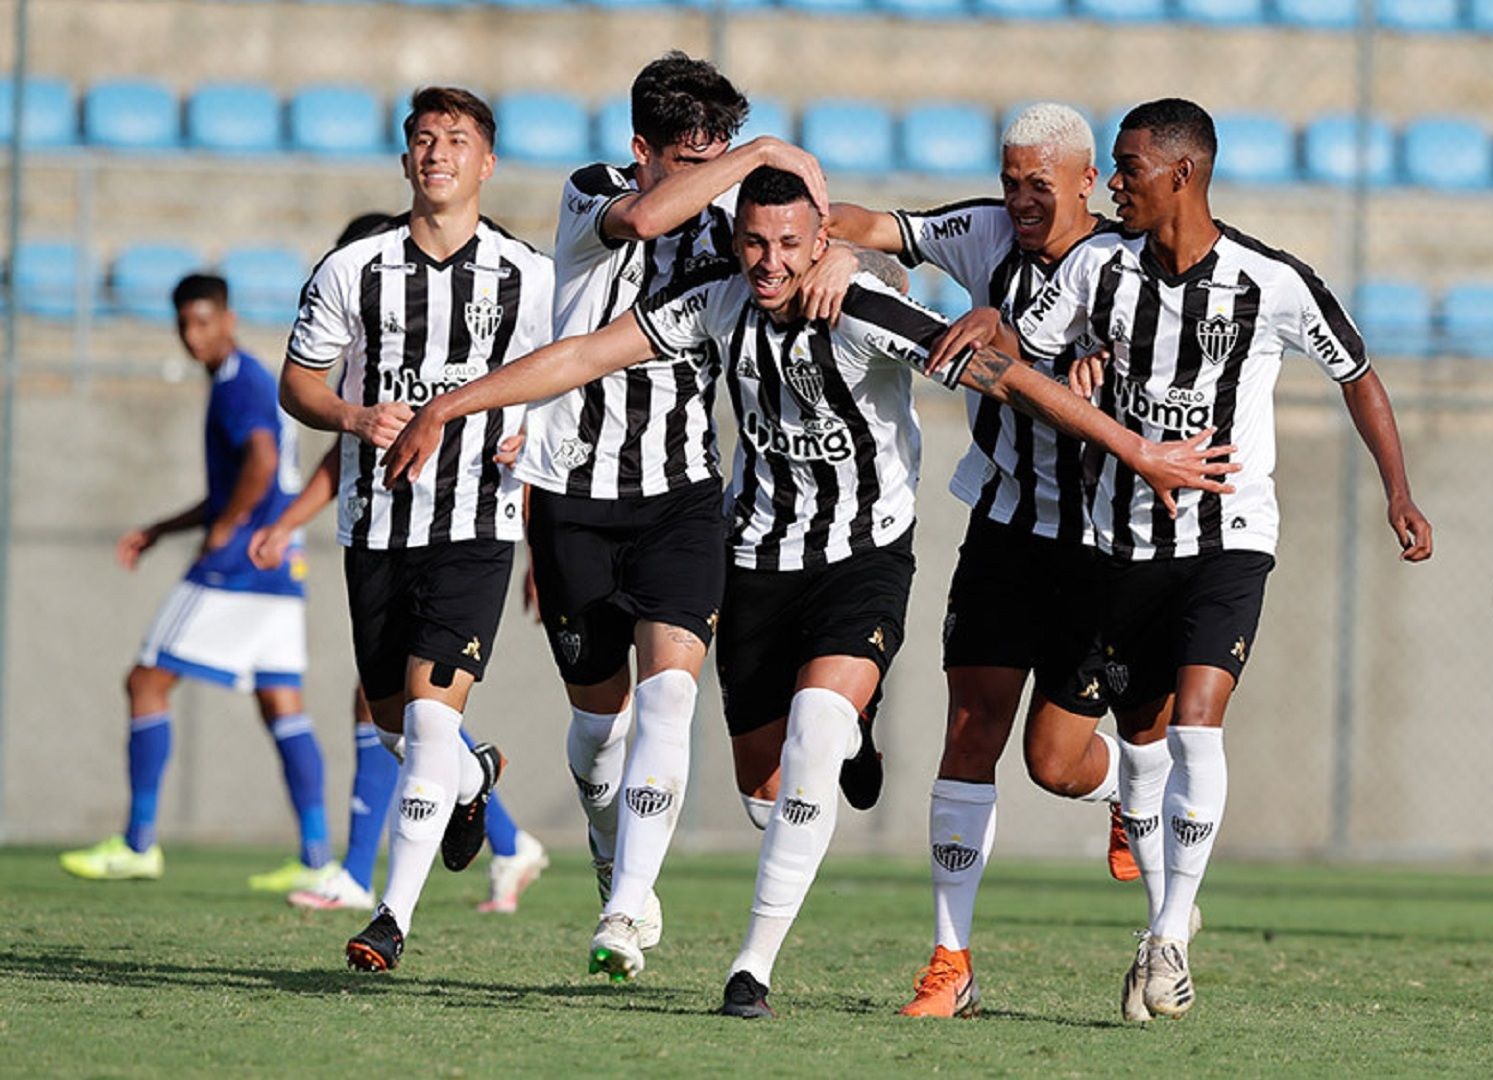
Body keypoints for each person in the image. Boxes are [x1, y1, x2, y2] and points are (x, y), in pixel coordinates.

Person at [380, 164, 1235, 1017]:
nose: (770, 260)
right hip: (755, 559)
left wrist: (1138, 450)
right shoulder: (717, 302)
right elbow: (580, 355)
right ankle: (847, 744)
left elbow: (1004, 376)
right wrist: (447, 407)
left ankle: (752, 966)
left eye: (789, 242)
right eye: (754, 240)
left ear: (819, 241)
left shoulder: (865, 309)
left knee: (817, 736)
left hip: (862, 559)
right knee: (767, 786)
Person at [1010, 98, 1433, 1021]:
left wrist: (1397, 491)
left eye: (1127, 166)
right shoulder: (1095, 268)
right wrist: (1067, 358)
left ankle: (1166, 938)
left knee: (1198, 723)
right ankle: (1155, 878)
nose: (1113, 184)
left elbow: (1357, 374)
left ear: (1182, 174)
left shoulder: (1272, 282)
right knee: (1065, 757)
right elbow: (1026, 353)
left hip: (1229, 542)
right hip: (1116, 545)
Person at [510, 52, 853, 979]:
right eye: (687, 157)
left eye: (720, 153)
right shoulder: (594, 194)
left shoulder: (723, 223)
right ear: (642, 150)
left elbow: (813, 237)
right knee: (599, 728)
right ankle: (608, 845)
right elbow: (645, 216)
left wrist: (845, 249)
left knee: (671, 692)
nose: (707, 174)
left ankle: (626, 913)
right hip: (575, 494)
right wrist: (753, 154)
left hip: (684, 494)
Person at [829, 102, 1155, 1019]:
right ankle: (950, 960)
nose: (1018, 199)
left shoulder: (1128, 268)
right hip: (1005, 528)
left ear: (1086, 181)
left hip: (1101, 543)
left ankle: (1128, 789)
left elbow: (1144, 393)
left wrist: (1046, 355)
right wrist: (817, 235)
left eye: (1037, 185)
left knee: (1055, 763)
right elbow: (875, 224)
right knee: (970, 730)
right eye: (1010, 179)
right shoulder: (979, 231)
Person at [278, 86, 555, 971]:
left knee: (431, 723)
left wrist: (537, 453)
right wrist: (354, 418)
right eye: (424, 140)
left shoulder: (530, 275)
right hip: (375, 528)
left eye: (457, 139)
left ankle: (390, 918)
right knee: (399, 730)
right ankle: (474, 781)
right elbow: (299, 383)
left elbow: (571, 379)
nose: (438, 153)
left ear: (487, 162)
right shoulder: (351, 269)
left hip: (476, 525)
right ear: (405, 161)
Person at [60, 273, 330, 892]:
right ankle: (317, 857)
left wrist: (225, 528)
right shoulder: (248, 379)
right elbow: (235, 481)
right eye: (183, 324)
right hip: (280, 562)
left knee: (146, 680)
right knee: (281, 701)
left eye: (203, 321)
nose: (192, 336)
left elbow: (261, 460)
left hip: (237, 562)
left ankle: (138, 843)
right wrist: (163, 527)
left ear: (229, 320)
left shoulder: (239, 381)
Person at [250, 442, 547, 915]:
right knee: (399, 707)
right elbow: (348, 447)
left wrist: (539, 550)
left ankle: (360, 876)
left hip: (462, 540)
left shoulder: (482, 373)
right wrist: (287, 523)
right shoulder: (373, 374)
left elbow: (522, 440)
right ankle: (506, 837)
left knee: (408, 703)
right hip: (385, 538)